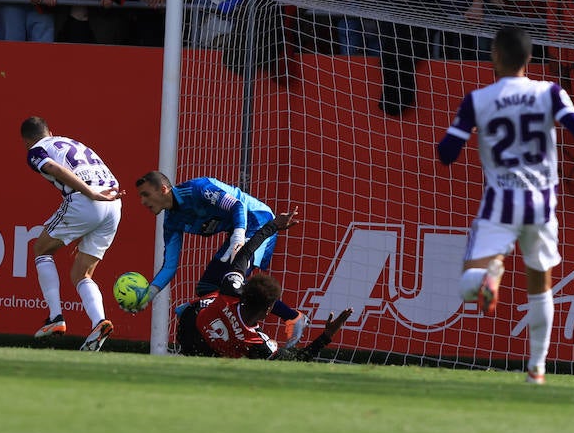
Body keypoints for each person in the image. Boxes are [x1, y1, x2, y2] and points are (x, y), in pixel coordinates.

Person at [437, 25, 574, 384]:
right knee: (540, 285)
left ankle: (489, 274)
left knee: (468, 287)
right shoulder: (548, 93)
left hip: (499, 205)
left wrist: (466, 130)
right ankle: (537, 368)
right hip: (541, 207)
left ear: (494, 56)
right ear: (530, 59)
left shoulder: (478, 100)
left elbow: (446, 155)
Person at [126, 171, 304, 345]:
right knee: (211, 288)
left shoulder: (198, 189)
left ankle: (266, 335)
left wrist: (238, 235)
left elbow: (237, 206)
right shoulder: (172, 221)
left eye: (146, 195)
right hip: (237, 230)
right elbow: (170, 266)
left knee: (223, 285)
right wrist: (149, 295)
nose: (143, 201)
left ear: (163, 189)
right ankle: (290, 318)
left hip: (258, 221)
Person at [173, 213, 348, 360]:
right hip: (209, 354)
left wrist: (273, 226)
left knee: (210, 297)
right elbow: (297, 361)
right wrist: (326, 336)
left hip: (188, 327)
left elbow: (246, 251)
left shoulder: (231, 288)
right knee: (245, 355)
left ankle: (190, 308)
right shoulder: (257, 341)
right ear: (268, 310)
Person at [21, 115, 122, 351]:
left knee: (41, 249)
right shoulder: (69, 141)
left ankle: (55, 318)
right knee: (81, 274)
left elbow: (53, 168)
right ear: (50, 131)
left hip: (88, 198)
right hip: (114, 202)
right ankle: (99, 322)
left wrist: (91, 194)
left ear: (26, 141)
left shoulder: (35, 150)